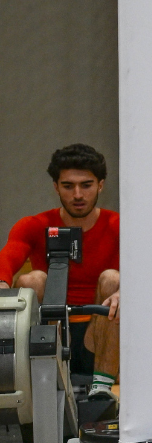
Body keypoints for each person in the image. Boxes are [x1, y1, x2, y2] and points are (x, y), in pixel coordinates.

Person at [1, 144, 120, 400]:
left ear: (100, 185)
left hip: (99, 333)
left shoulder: (119, 225)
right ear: (56, 187)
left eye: (86, 185)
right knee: (32, 280)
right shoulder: (33, 225)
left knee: (114, 279)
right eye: (68, 186)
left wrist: (127, 290)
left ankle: (102, 388)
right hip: (49, 331)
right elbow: (8, 258)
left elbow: (149, 271)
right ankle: (42, 381)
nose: (78, 194)